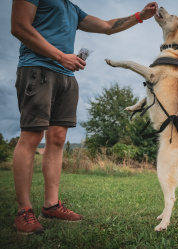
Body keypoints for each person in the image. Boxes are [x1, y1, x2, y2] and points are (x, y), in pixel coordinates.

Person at [11, 0, 158, 235]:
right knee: (32, 135)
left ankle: (51, 205)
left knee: (57, 139)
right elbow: (18, 26)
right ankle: (23, 211)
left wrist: (140, 16)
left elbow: (109, 26)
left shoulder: (72, 8)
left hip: (66, 76)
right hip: (37, 69)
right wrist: (61, 56)